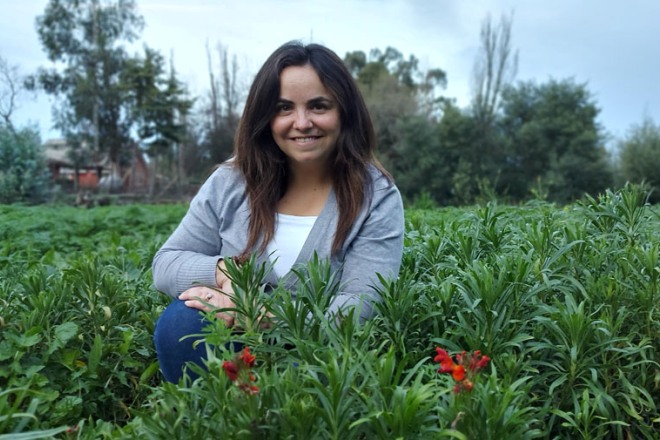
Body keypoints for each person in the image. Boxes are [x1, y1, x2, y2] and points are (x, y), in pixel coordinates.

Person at [152, 41, 405, 383]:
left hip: (316, 351)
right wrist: (224, 273)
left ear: (344, 112)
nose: (301, 123)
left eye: (318, 106)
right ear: (265, 116)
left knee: (326, 372)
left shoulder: (376, 195)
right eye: (284, 108)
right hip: (232, 344)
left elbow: (361, 304)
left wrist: (263, 315)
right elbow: (166, 263)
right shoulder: (231, 181)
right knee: (181, 323)